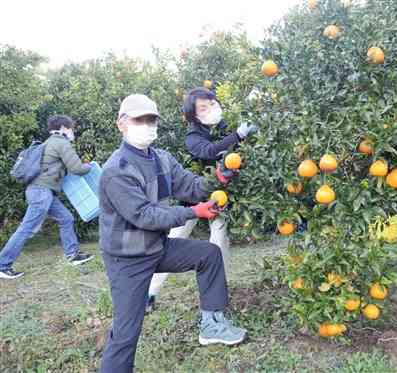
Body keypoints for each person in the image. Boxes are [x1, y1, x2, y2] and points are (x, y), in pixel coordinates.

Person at [99, 94, 246, 373]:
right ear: (122, 124)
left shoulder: (161, 159)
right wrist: (194, 213)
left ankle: (211, 324)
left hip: (157, 247)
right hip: (128, 259)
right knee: (127, 332)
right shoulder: (116, 170)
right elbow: (144, 215)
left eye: (151, 119)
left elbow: (190, 186)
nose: (147, 124)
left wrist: (220, 177)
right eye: (139, 119)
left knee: (208, 254)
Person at [146, 87, 257, 312]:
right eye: (203, 108)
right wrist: (238, 135)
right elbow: (209, 151)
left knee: (219, 237)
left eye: (212, 103)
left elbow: (233, 148)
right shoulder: (193, 137)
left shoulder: (222, 127)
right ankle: (149, 292)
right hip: (193, 198)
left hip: (220, 195)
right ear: (194, 115)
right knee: (177, 236)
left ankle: (219, 287)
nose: (210, 109)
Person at [0, 115, 94, 280]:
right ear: (64, 128)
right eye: (71, 128)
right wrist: (90, 166)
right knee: (27, 228)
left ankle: (72, 255)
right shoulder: (61, 143)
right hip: (41, 193)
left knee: (66, 218)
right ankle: (3, 265)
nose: (73, 132)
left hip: (42, 191)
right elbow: (77, 168)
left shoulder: (48, 142)